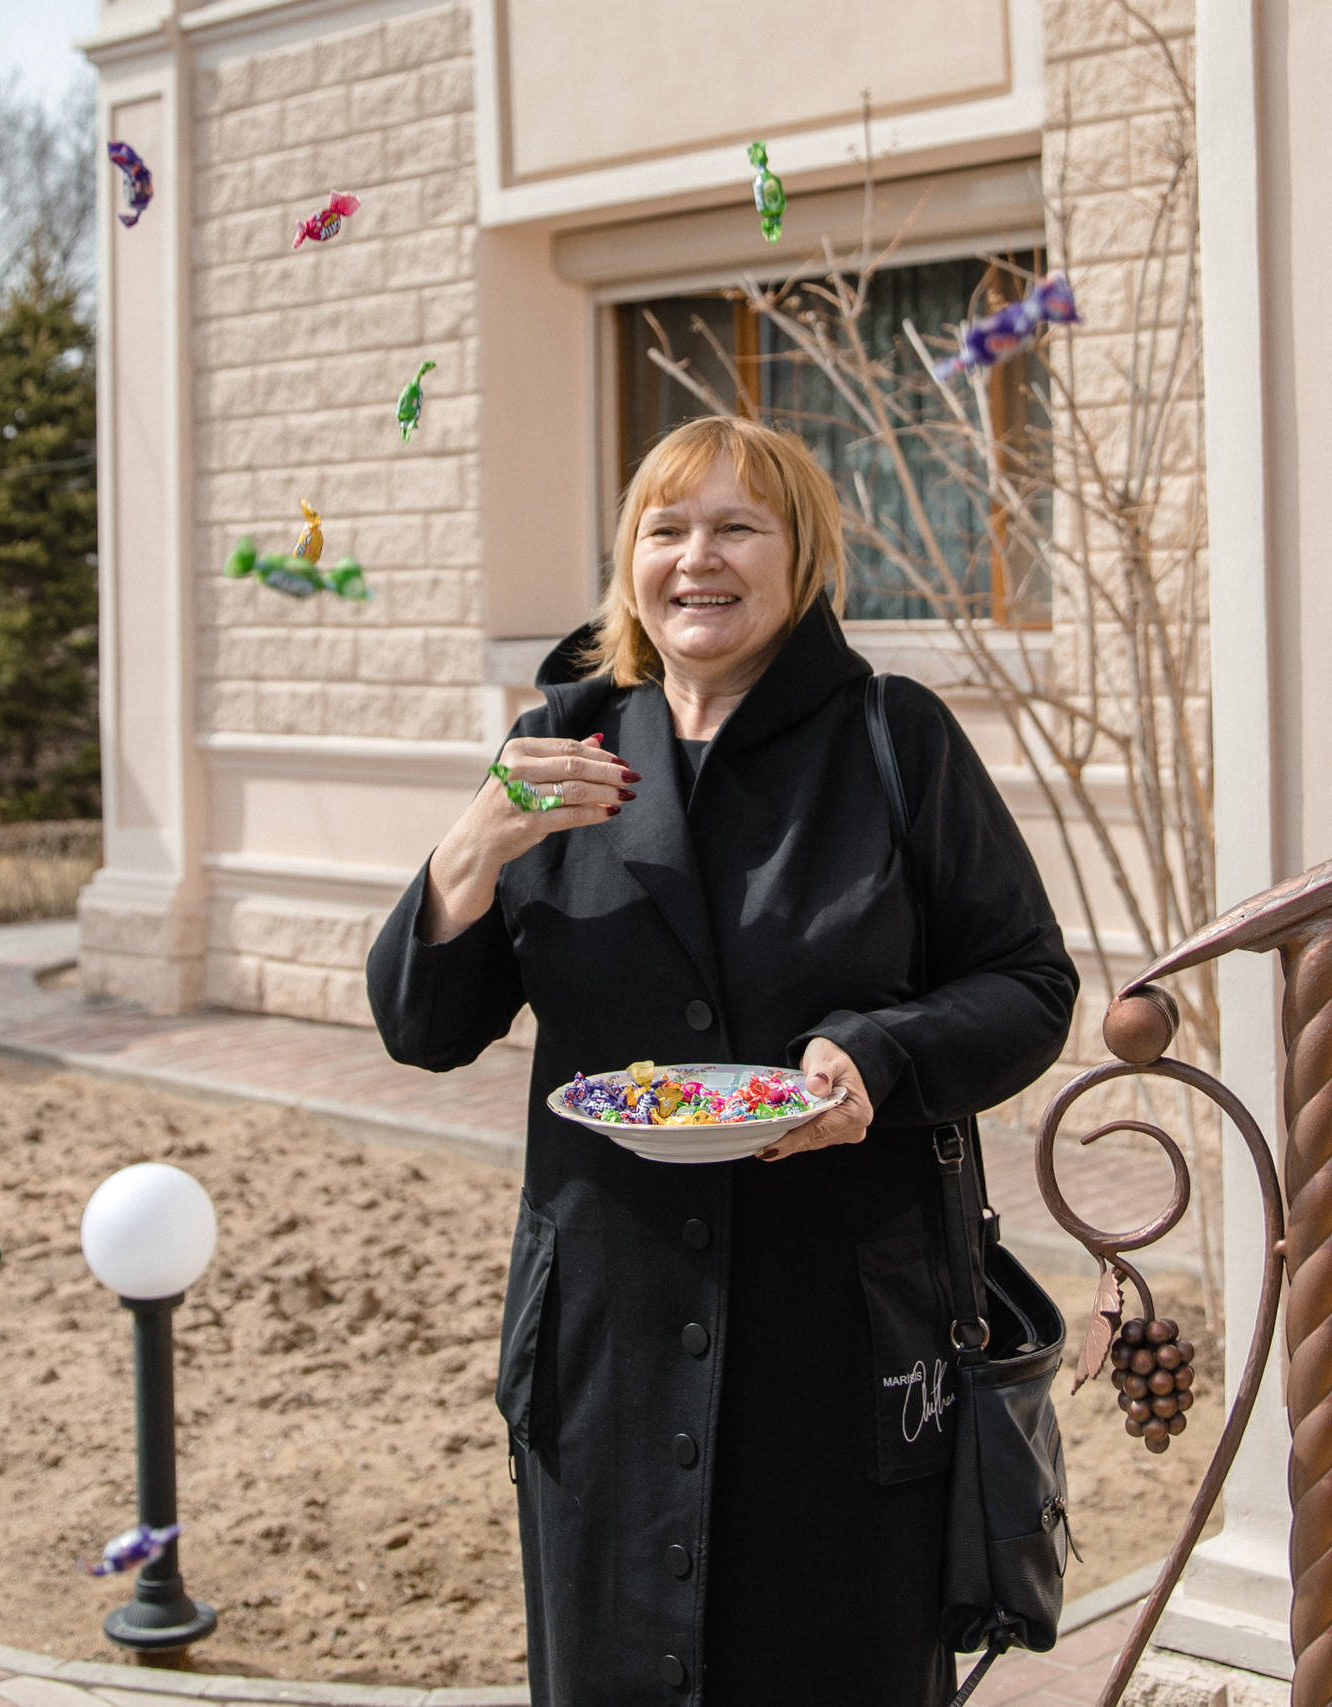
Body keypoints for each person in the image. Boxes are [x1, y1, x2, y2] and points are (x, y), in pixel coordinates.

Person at [367, 415, 1079, 1705]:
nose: (699, 558)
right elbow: (424, 1029)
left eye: (738, 526)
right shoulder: (566, 747)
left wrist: (876, 1056)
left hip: (842, 1346)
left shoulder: (890, 739)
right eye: (665, 527)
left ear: (801, 559)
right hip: (606, 1347)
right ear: (628, 560)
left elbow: (1030, 985)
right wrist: (466, 853)